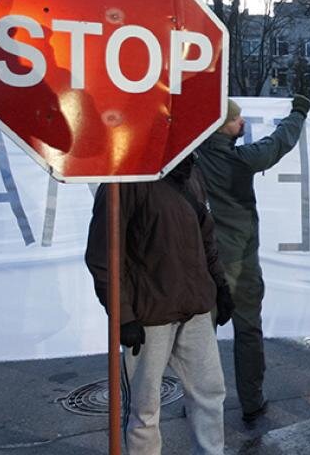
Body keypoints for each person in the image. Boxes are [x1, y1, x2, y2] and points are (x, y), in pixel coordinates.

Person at [85, 155, 232, 455]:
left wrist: (221, 286)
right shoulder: (125, 179)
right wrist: (123, 316)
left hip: (195, 310)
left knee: (210, 394)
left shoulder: (191, 172)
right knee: (144, 408)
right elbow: (103, 257)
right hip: (149, 316)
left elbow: (207, 240)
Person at [195, 94, 310, 424]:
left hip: (202, 261)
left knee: (199, 336)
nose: (242, 122)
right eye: (235, 119)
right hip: (239, 262)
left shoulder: (191, 158)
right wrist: (299, 112)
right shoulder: (240, 161)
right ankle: (251, 399)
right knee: (248, 330)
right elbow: (277, 144)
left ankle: (199, 402)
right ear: (220, 128)